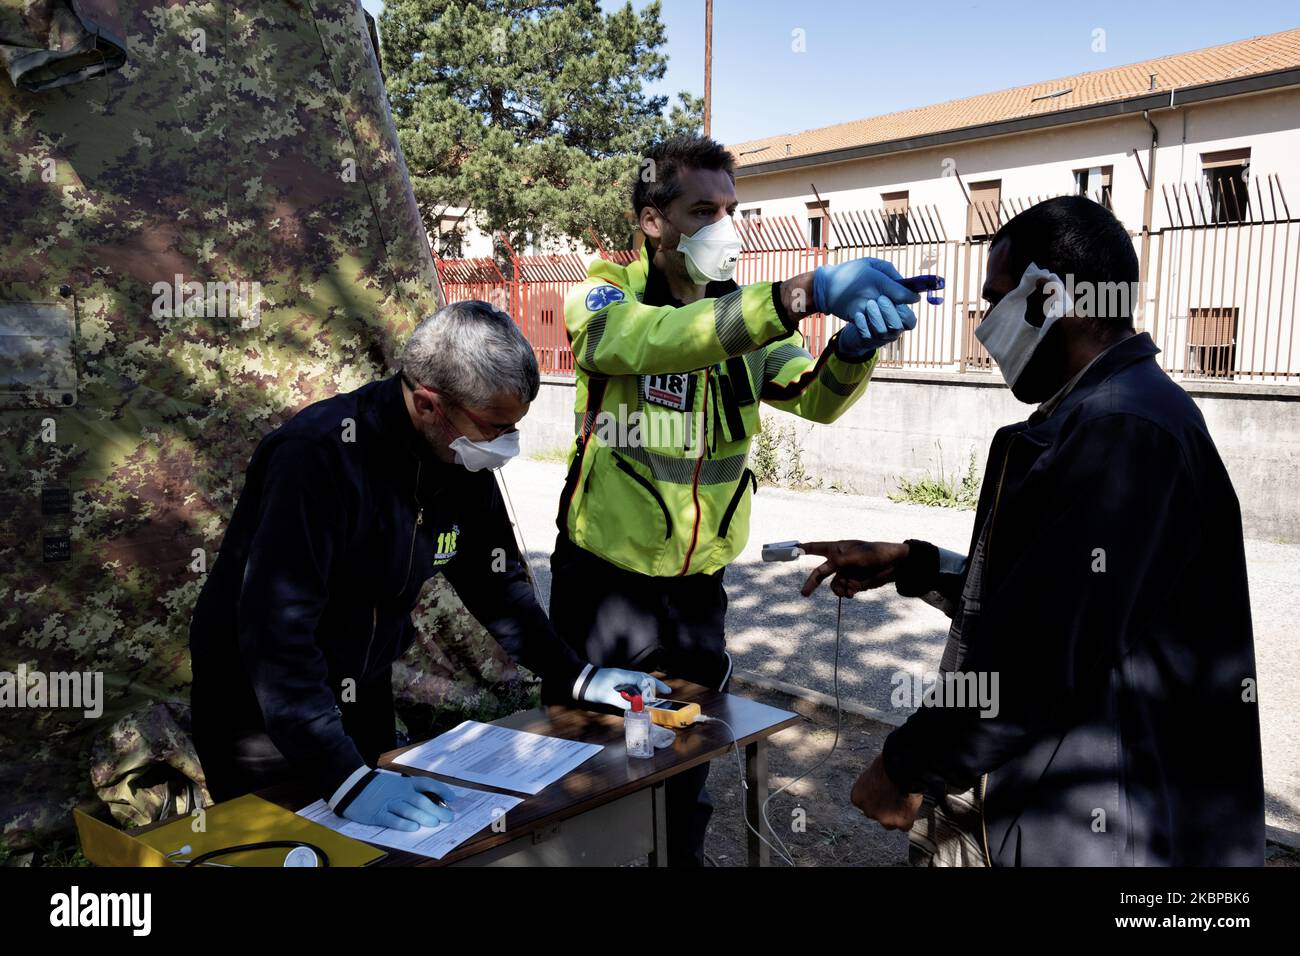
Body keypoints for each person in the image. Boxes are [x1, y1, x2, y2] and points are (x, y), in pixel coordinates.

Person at [801, 196, 1264, 866]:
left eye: (995, 300)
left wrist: (906, 766)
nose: (985, 324)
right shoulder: (1092, 416)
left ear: (1049, 296)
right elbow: (1044, 599)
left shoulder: (1124, 432)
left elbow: (1039, 657)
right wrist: (915, 564)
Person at [547, 135, 920, 864]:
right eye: (703, 210)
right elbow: (637, 342)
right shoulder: (602, 292)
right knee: (593, 755)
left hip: (696, 592)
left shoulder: (743, 319)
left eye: (733, 209)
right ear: (653, 220)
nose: (728, 228)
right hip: (605, 584)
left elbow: (811, 399)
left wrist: (851, 351)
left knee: (684, 752)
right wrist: (801, 295)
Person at [190, 301, 667, 831]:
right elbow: (275, 631)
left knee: (382, 845)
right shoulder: (317, 457)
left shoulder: (459, 457)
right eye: (495, 426)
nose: (507, 444)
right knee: (289, 848)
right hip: (263, 705)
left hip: (361, 686)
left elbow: (498, 586)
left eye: (514, 426)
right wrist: (342, 778)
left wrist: (575, 675)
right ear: (426, 404)